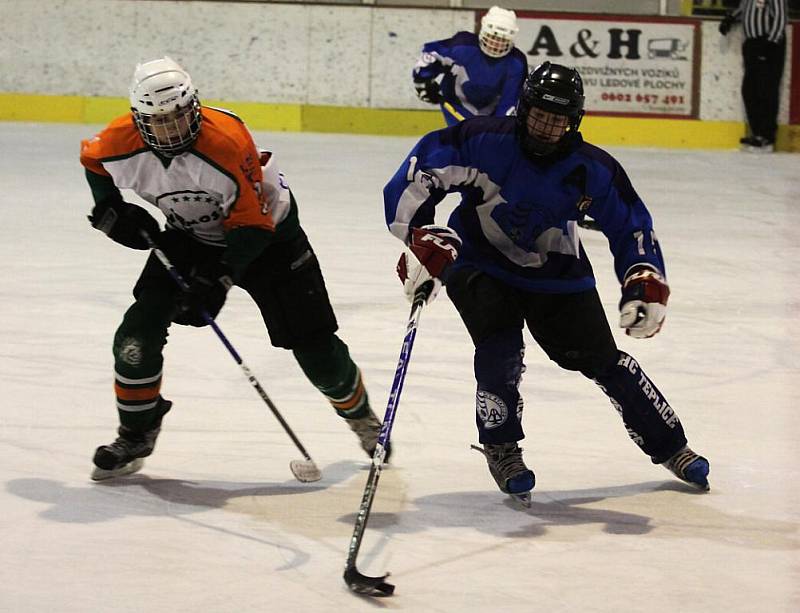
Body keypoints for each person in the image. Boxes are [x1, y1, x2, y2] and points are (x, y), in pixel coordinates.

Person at [384, 62, 710, 503]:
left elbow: (630, 226)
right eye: (538, 114)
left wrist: (643, 274)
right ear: (523, 108)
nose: (545, 126)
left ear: (574, 121)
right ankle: (501, 445)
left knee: (603, 360)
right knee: (499, 347)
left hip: (556, 274)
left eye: (557, 119)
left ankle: (671, 445)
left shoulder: (591, 169)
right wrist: (421, 237)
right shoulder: (483, 141)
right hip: (480, 262)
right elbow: (414, 180)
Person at [81, 57, 386, 480]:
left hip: (270, 239)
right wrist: (109, 208)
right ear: (139, 118)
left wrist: (218, 279)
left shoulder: (225, 142)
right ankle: (135, 433)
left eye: (179, 116)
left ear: (195, 107)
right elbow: (93, 160)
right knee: (135, 336)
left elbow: (252, 225)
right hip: (191, 238)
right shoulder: (119, 140)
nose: (170, 128)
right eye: (159, 121)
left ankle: (362, 418)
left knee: (315, 349)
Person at [412, 6, 528, 127]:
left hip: (491, 117)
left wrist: (496, 130)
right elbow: (431, 54)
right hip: (457, 106)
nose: (496, 45)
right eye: (493, 37)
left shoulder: (516, 63)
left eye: (503, 40)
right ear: (483, 32)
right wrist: (423, 82)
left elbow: (509, 102)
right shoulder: (462, 47)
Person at [719, 0, 788, 152]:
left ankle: (767, 137)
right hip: (751, 44)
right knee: (750, 90)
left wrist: (772, 43)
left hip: (768, 43)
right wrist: (730, 18)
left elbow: (780, 17)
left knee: (766, 89)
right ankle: (757, 133)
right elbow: (745, 8)